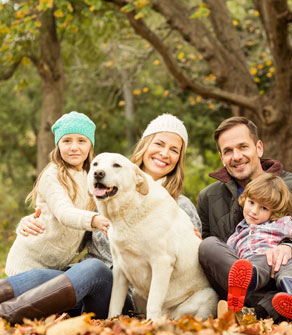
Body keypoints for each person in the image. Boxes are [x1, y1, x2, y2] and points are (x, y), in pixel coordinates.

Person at [0, 113, 201, 324]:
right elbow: (72, 216)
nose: (164, 153)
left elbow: (188, 265)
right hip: (77, 283)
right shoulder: (106, 182)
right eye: (159, 144)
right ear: (144, 145)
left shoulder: (180, 206)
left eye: (174, 150)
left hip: (121, 296)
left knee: (95, 268)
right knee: (51, 275)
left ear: (179, 158)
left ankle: (5, 315)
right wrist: (30, 220)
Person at [197, 116, 292, 322]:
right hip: (247, 283)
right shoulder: (209, 197)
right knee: (207, 246)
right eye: (228, 151)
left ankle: (274, 306)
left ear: (259, 148)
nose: (236, 156)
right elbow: (215, 261)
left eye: (243, 146)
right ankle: (283, 308)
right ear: (222, 157)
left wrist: (290, 247)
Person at [5, 111, 110, 277]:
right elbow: (64, 212)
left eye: (81, 140)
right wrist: (94, 220)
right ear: (58, 145)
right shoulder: (52, 175)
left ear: (90, 145)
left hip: (57, 267)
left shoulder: (92, 177)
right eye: (66, 141)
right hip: (29, 263)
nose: (74, 147)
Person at [225, 173, 292, 323]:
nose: (254, 211)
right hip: (257, 266)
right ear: (244, 199)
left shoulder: (283, 223)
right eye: (251, 202)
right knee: (255, 263)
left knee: (291, 269)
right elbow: (229, 257)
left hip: (284, 261)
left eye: (263, 208)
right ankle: (245, 283)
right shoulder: (236, 236)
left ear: (274, 212)